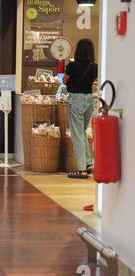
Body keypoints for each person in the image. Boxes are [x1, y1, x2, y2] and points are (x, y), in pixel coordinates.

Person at [63, 39, 98, 179]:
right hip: (89, 100)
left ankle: (81, 169)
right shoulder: (94, 67)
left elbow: (64, 80)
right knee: (82, 132)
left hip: (76, 99)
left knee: (77, 134)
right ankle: (88, 164)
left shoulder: (72, 65)